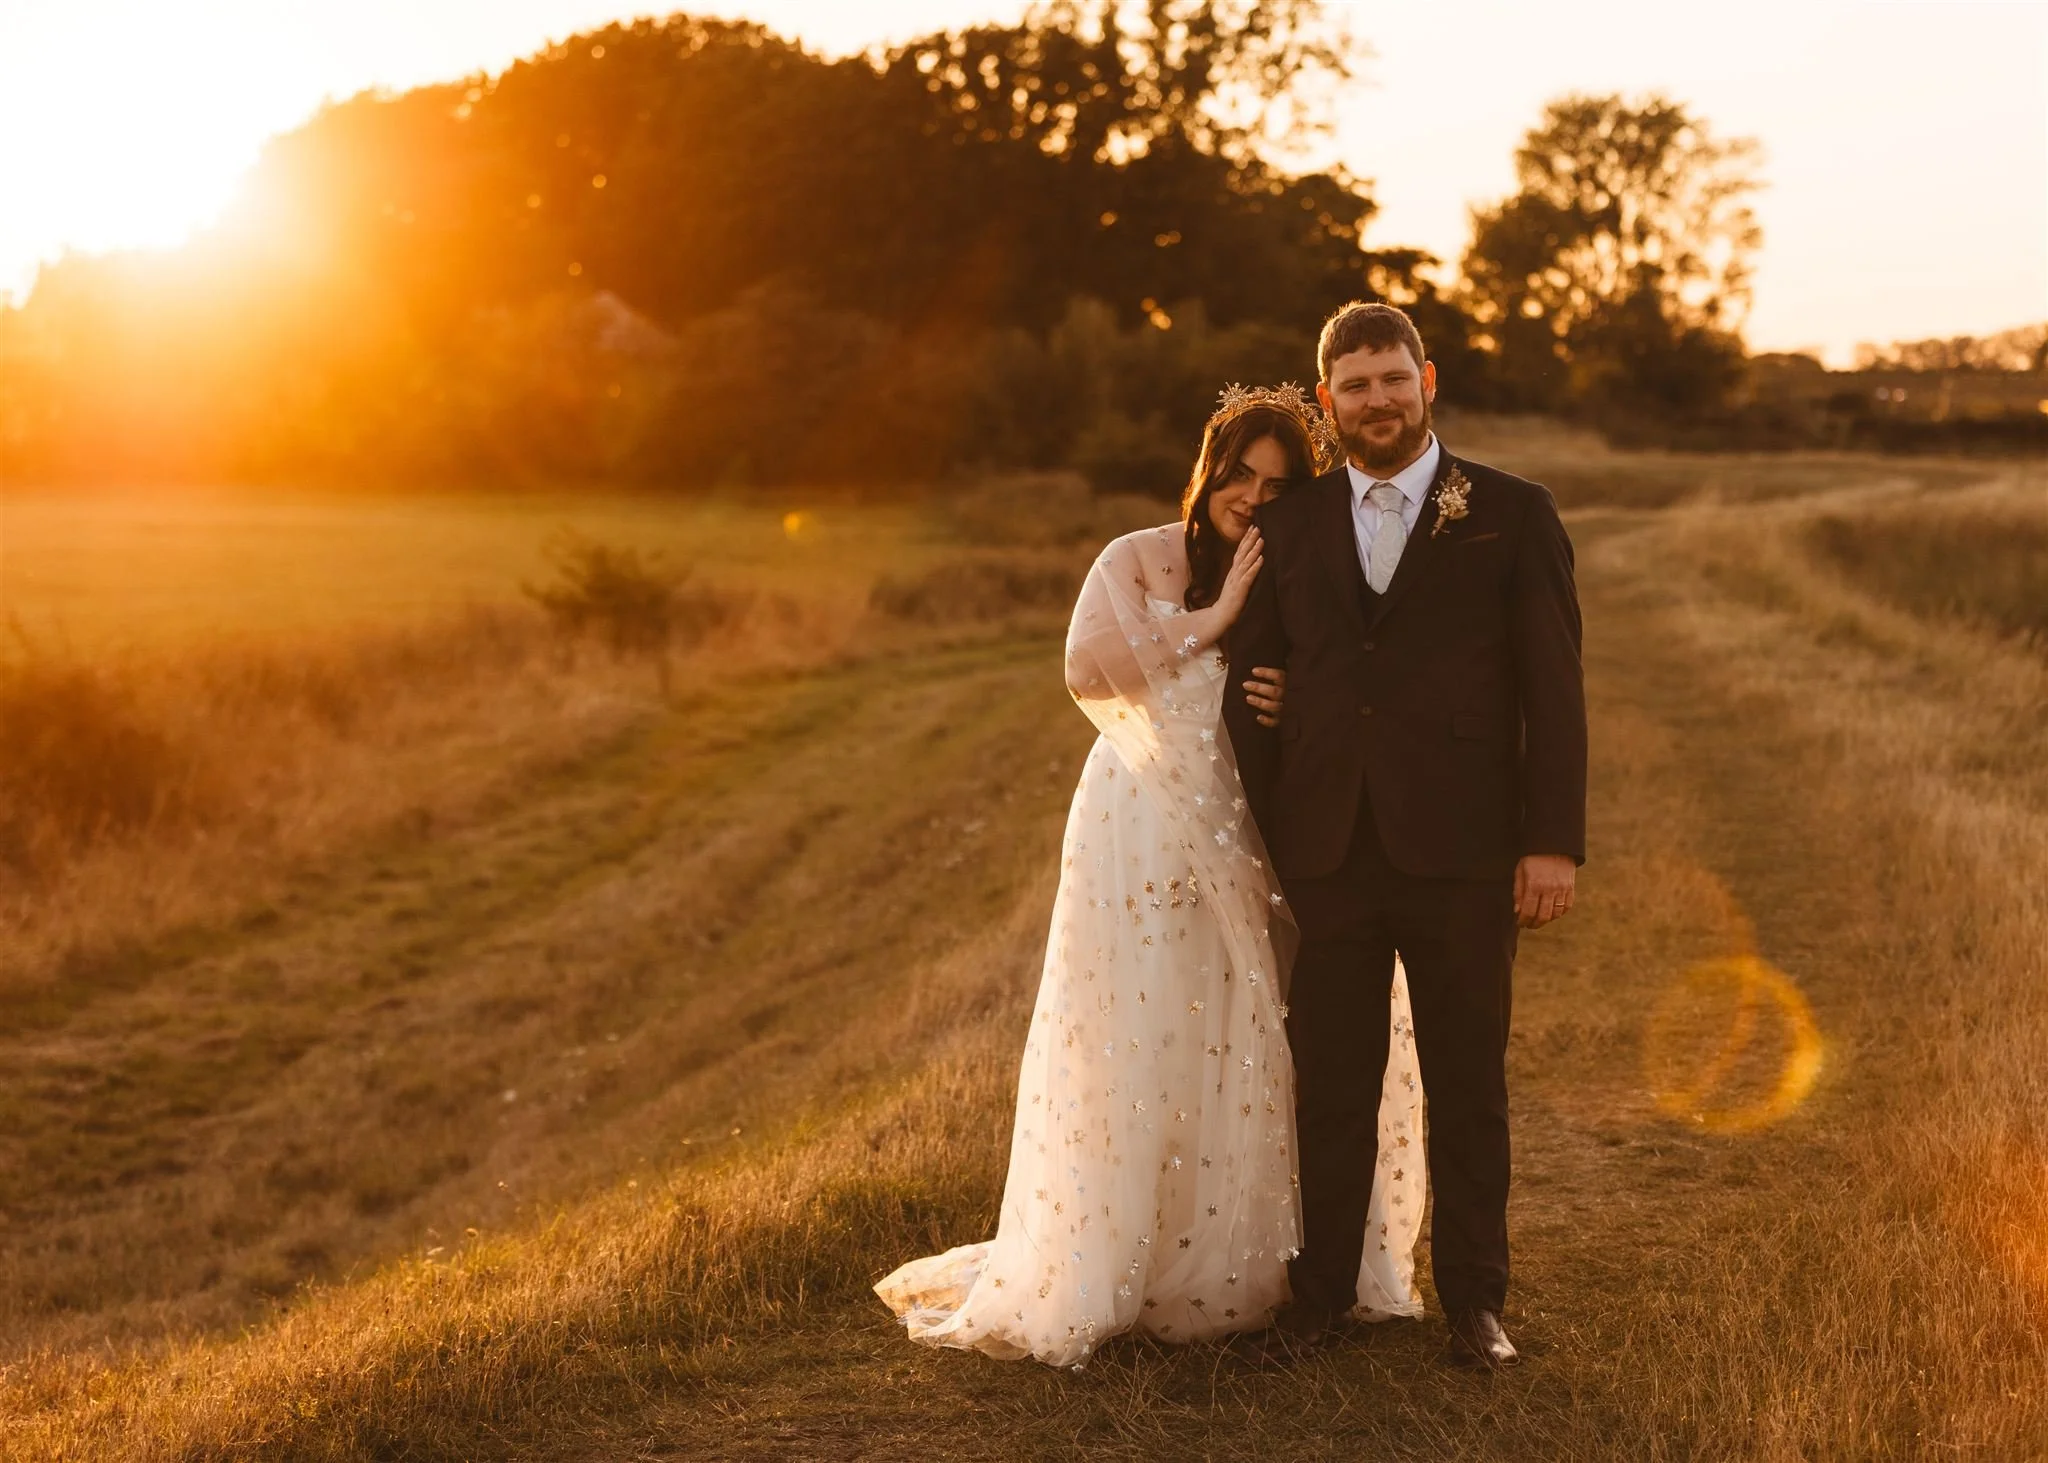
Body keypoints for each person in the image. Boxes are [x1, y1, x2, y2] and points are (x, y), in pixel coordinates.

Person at [875, 386, 1425, 1367]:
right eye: (1237, 474)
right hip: (1137, 830)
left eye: (1274, 482)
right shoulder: (1135, 557)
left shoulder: (1303, 565)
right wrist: (1214, 615)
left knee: (1246, 1027)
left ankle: (1249, 1260)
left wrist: (1298, 691)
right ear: (1208, 468)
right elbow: (1088, 668)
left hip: (1256, 829)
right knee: (1143, 1027)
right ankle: (1122, 1256)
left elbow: (1357, 682)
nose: (1250, 497)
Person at [1223, 302, 1587, 1369]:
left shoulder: (1512, 513)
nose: (1375, 399)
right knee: (1330, 1083)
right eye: (1354, 384)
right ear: (1326, 399)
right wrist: (1267, 834)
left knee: (1467, 1082)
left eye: (1392, 379)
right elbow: (1252, 690)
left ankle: (1474, 1300)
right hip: (1328, 851)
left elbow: (1551, 689)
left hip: (1467, 851)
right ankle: (1321, 1295)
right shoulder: (1287, 524)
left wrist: (1548, 838)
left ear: (1426, 381)